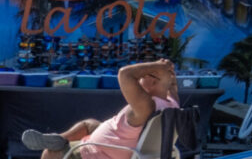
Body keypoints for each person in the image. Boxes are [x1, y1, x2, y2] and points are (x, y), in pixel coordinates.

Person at [20, 60, 179, 159]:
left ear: (152, 81)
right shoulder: (172, 104)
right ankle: (60, 139)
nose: (140, 77)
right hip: (120, 144)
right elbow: (172, 87)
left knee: (51, 153)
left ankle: (57, 144)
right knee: (90, 124)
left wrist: (159, 66)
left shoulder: (146, 105)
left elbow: (125, 74)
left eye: (144, 74)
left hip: (98, 153)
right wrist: (167, 72)